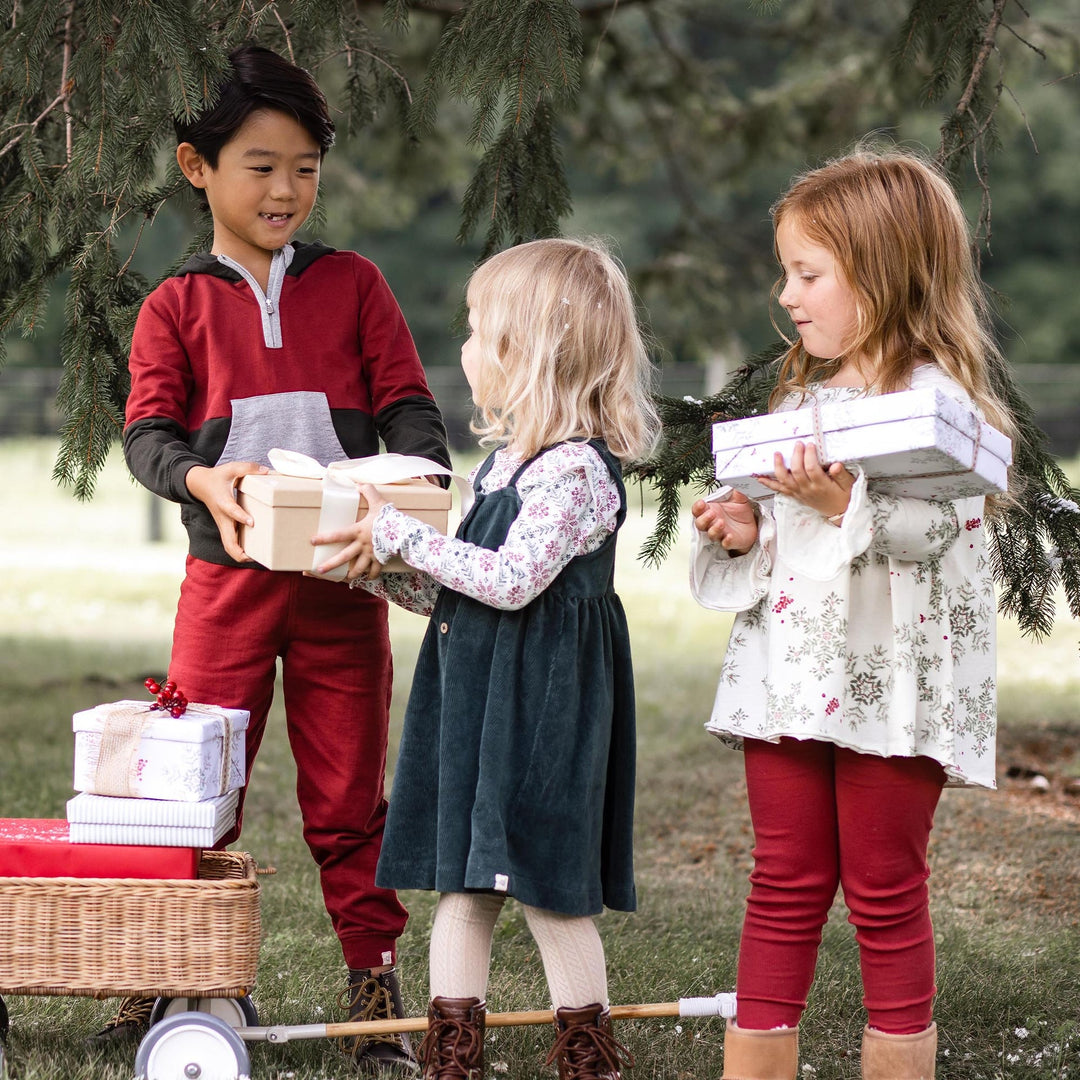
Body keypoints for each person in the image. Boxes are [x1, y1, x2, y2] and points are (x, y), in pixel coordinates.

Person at [116, 44, 451, 1074]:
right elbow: (149, 436)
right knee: (194, 791)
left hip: (341, 586)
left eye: (305, 167)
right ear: (197, 167)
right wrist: (203, 482)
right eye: (261, 165)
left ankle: (373, 984)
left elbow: (412, 414)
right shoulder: (175, 305)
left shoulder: (354, 285)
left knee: (350, 799)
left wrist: (410, 489)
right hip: (225, 588)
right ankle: (187, 979)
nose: (285, 189)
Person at [689, 148, 1016, 1080]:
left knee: (883, 889)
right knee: (783, 881)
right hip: (792, 678)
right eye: (786, 272)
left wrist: (842, 508)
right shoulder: (800, 401)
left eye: (809, 273)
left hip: (890, 687)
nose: (787, 295)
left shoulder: (941, 406)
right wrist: (747, 525)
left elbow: (934, 533)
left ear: (880, 273)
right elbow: (787, 536)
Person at [313, 237, 661, 1080]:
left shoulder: (575, 472)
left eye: (476, 331)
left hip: (539, 713)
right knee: (464, 887)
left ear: (526, 352)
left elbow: (509, 582)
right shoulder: (507, 465)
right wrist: (382, 576)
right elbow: (464, 591)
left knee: (544, 883)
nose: (463, 347)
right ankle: (452, 1056)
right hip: (479, 702)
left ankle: (587, 1055)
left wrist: (400, 531)